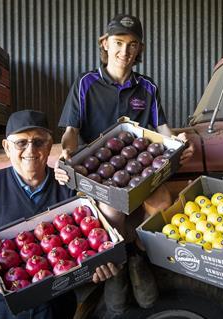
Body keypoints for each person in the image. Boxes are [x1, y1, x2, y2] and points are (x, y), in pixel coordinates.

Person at [54, 14, 194, 316]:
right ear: (105, 44)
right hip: (98, 172)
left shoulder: (147, 87)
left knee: (162, 200)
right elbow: (71, 132)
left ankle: (139, 256)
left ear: (139, 49)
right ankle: (116, 266)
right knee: (113, 209)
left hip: (141, 168)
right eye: (118, 43)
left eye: (132, 45)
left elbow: (163, 129)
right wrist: (67, 152)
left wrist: (179, 141)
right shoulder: (86, 83)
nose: (125, 51)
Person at [0, 110, 119, 319]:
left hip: (54, 303)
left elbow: (91, 238)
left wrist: (97, 263)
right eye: (21, 142)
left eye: (38, 142)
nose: (30, 149)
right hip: (0, 304)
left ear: (49, 147)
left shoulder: (67, 187)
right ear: (6, 147)